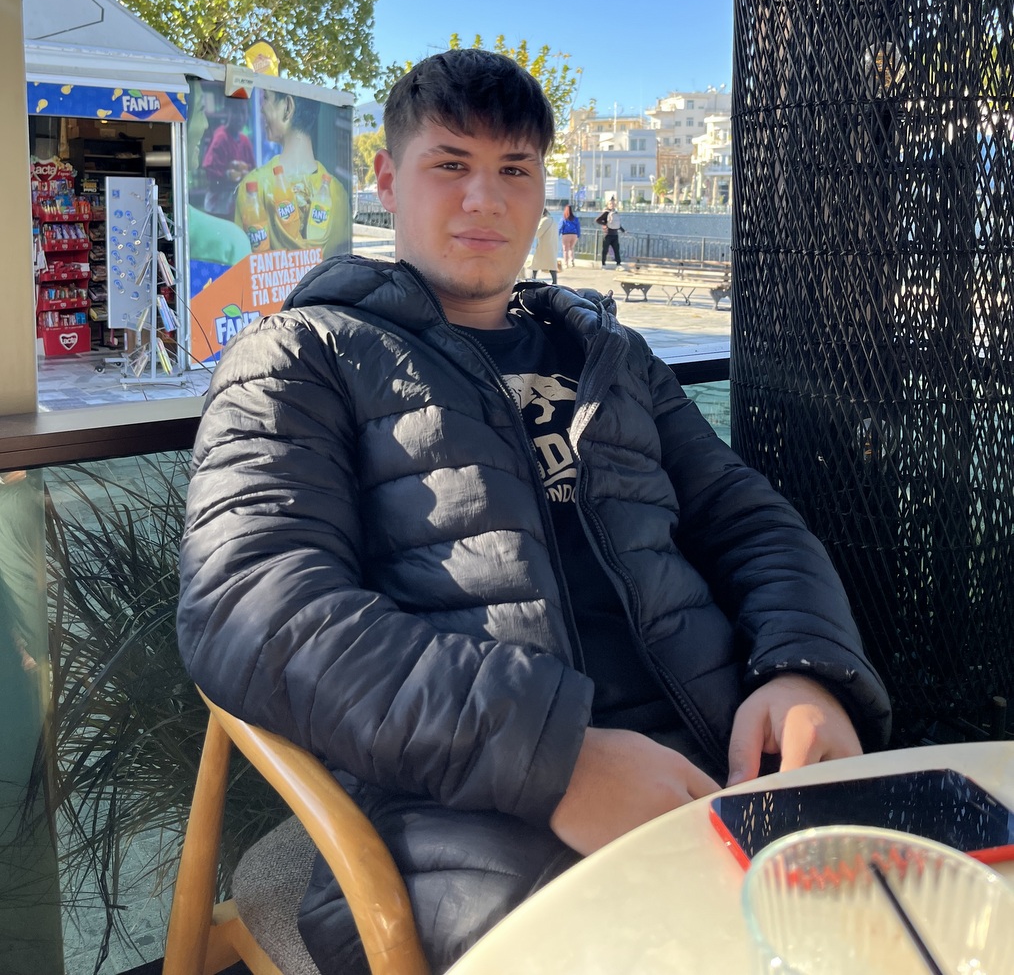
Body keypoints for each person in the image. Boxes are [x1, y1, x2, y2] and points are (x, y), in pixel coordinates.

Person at [177, 48, 891, 975]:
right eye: (450, 164)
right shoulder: (302, 356)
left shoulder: (609, 355)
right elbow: (253, 607)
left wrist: (804, 671)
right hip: (475, 812)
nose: (485, 198)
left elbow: (747, 519)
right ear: (386, 179)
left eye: (514, 170)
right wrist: (555, 757)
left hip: (724, 755)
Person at [234, 88, 350, 260]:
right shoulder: (339, 193)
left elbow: (241, 262)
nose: (261, 108)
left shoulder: (253, 187)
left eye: (266, 98)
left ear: (288, 108)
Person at [200, 101, 255, 219]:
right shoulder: (221, 138)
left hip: (238, 208)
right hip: (218, 208)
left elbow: (254, 173)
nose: (239, 117)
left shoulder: (245, 141)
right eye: (235, 111)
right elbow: (211, 177)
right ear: (227, 112)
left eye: (243, 112)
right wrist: (230, 175)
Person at [529, 207, 559, 284]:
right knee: (551, 265)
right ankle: (554, 282)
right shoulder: (552, 220)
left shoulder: (544, 221)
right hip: (551, 246)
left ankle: (533, 279)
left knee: (536, 264)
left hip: (544, 246)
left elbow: (538, 233)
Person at [596, 197, 625, 267]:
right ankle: (603, 263)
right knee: (605, 250)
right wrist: (605, 224)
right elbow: (597, 220)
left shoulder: (615, 213)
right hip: (607, 234)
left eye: (613, 204)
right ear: (608, 205)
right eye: (610, 204)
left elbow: (617, 224)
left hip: (615, 234)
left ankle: (618, 264)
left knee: (616, 250)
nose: (612, 205)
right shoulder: (606, 213)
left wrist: (623, 230)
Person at [559, 202, 580, 267]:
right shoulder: (575, 219)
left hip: (566, 234)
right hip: (574, 235)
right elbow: (578, 227)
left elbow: (560, 227)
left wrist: (558, 234)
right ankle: (572, 262)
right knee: (571, 248)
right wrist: (578, 235)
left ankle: (566, 264)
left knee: (565, 250)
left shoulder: (564, 219)